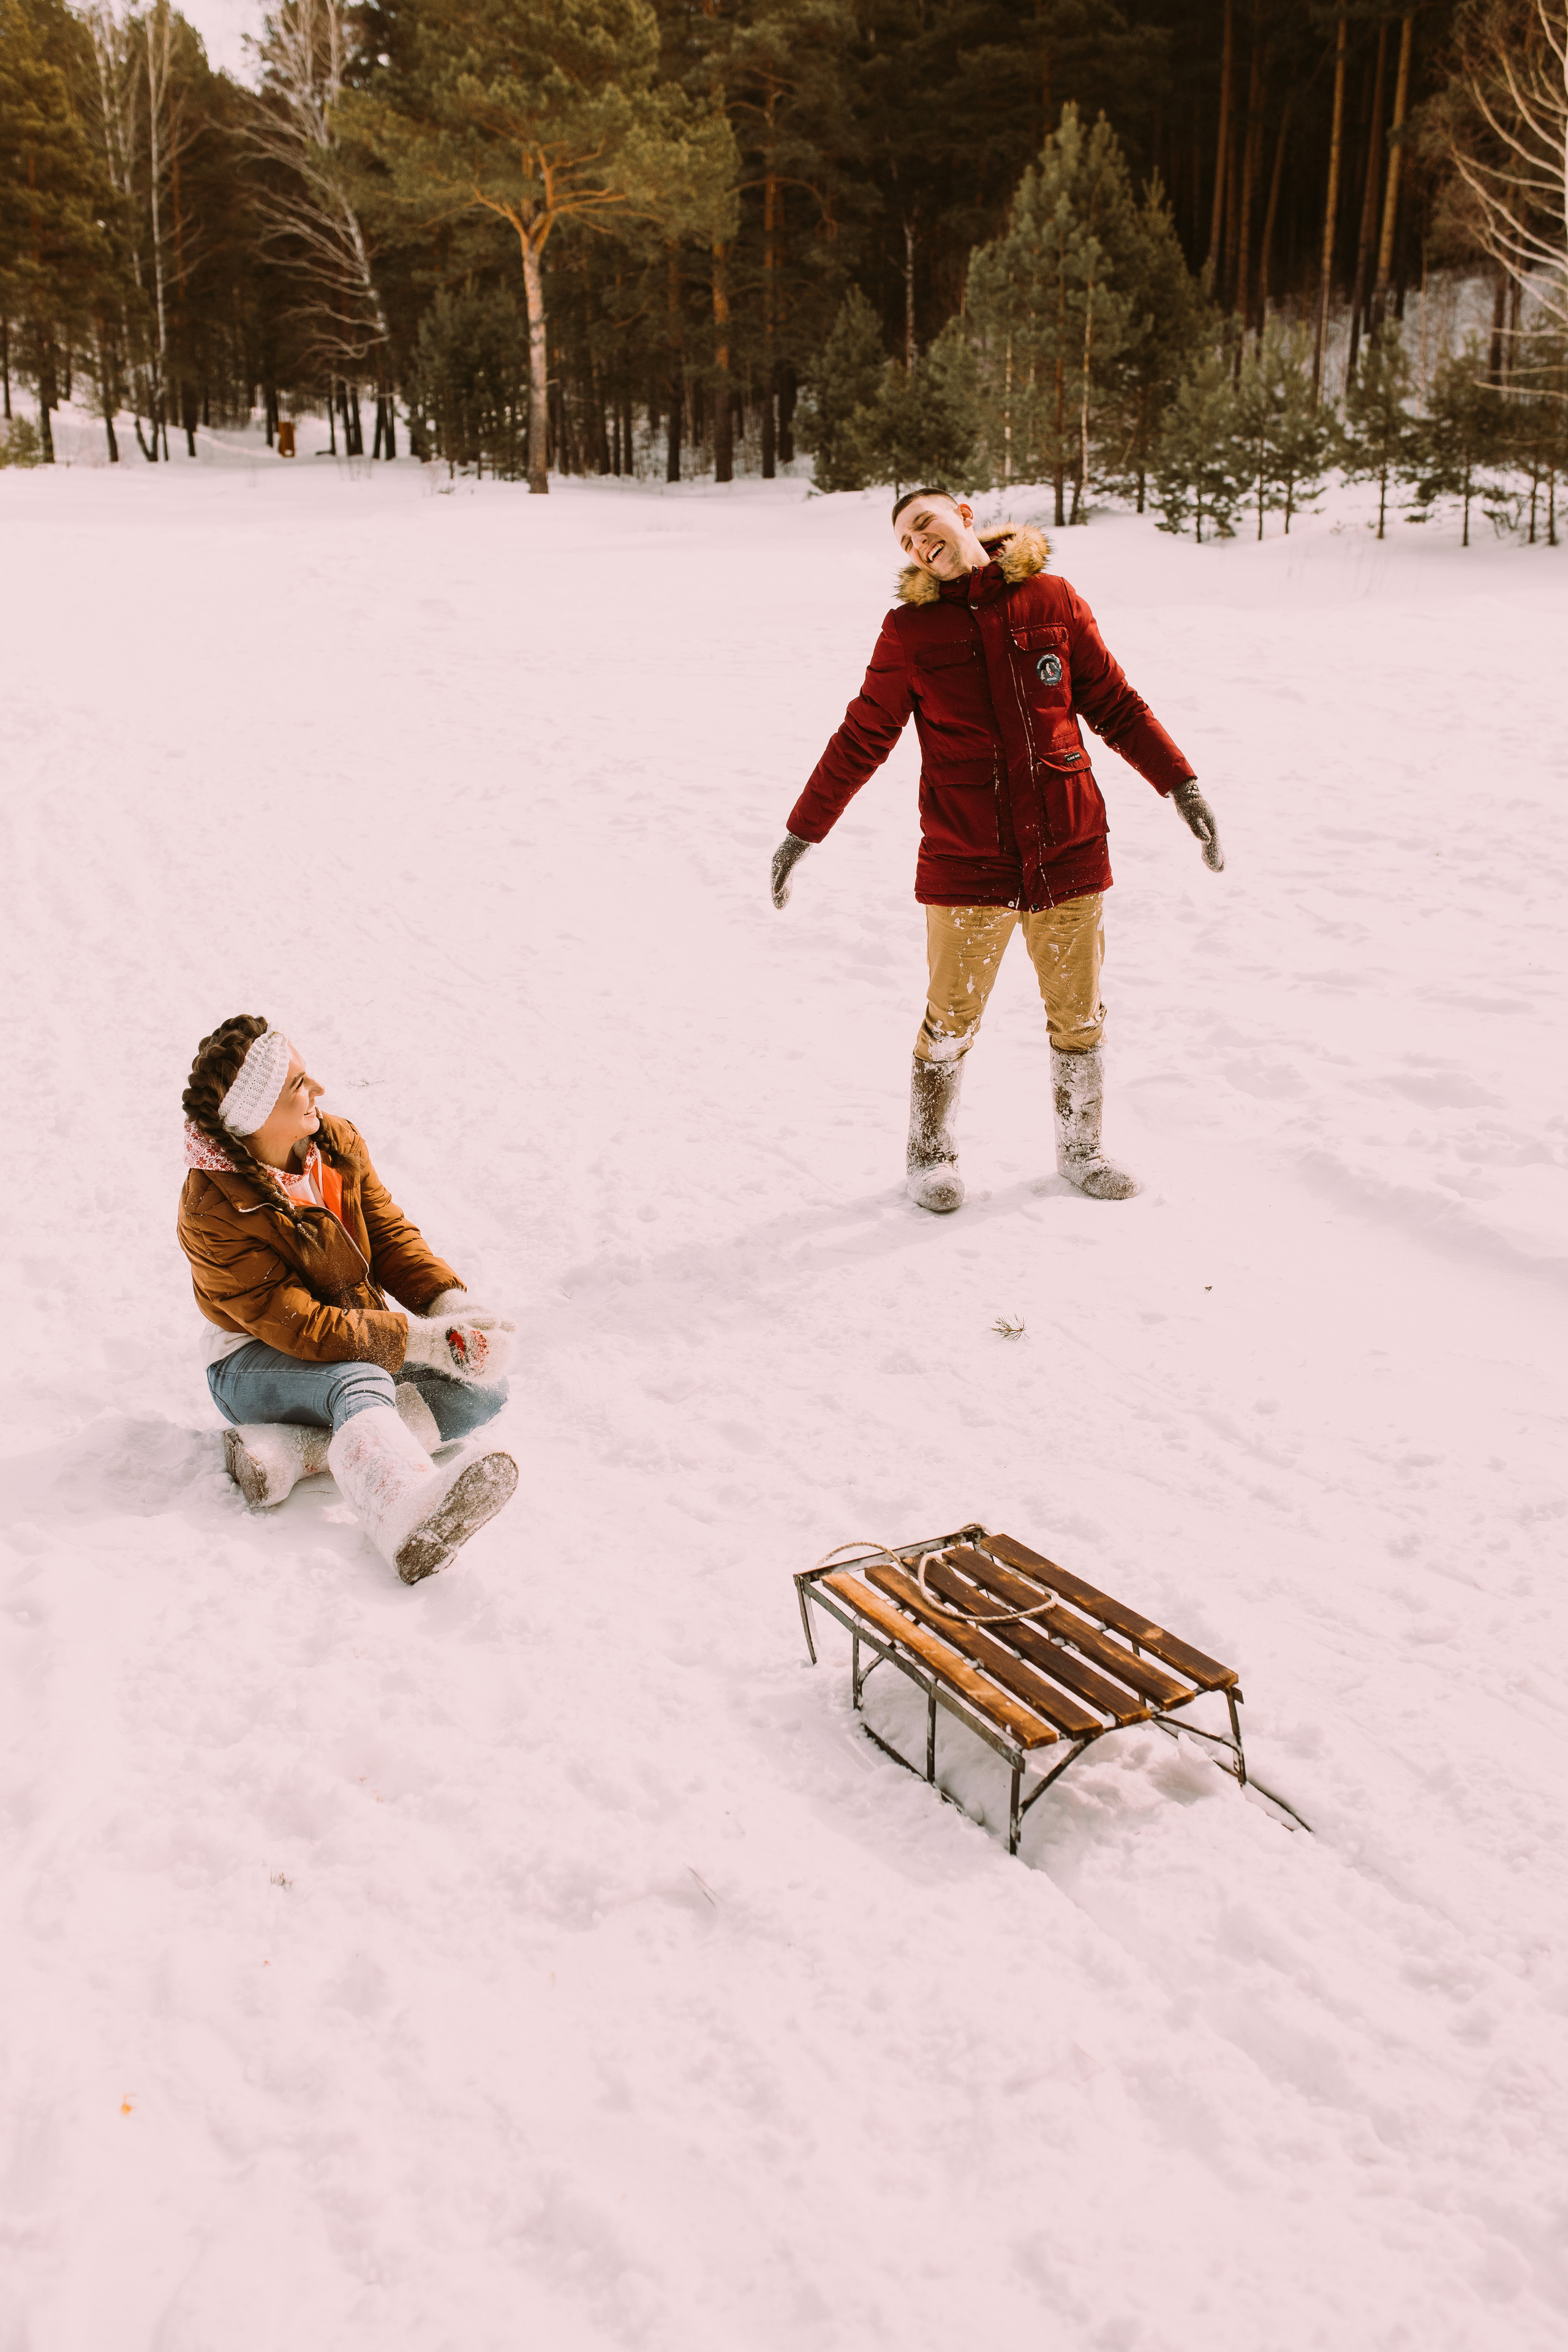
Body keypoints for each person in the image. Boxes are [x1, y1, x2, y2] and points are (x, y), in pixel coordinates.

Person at [771, 488, 1224, 1212]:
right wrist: (803, 831)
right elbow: (863, 737)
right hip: (966, 856)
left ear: (965, 516)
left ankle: (1082, 1151)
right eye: (905, 542)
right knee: (949, 1019)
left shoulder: (1052, 599)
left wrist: (1183, 786)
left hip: (1068, 846)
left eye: (924, 524)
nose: (918, 543)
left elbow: (1113, 703)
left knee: (1079, 1015)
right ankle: (930, 1157)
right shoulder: (908, 632)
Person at [178, 1014, 519, 1584]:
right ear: (257, 1113)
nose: (318, 1091)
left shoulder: (334, 1143)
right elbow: (298, 1326)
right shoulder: (214, 1208)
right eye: (298, 1084)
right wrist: (421, 1341)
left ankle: (298, 1452)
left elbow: (388, 1236)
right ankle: (401, 1511)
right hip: (249, 1365)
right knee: (358, 1381)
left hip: (351, 1341)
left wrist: (448, 1307)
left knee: (482, 1388)